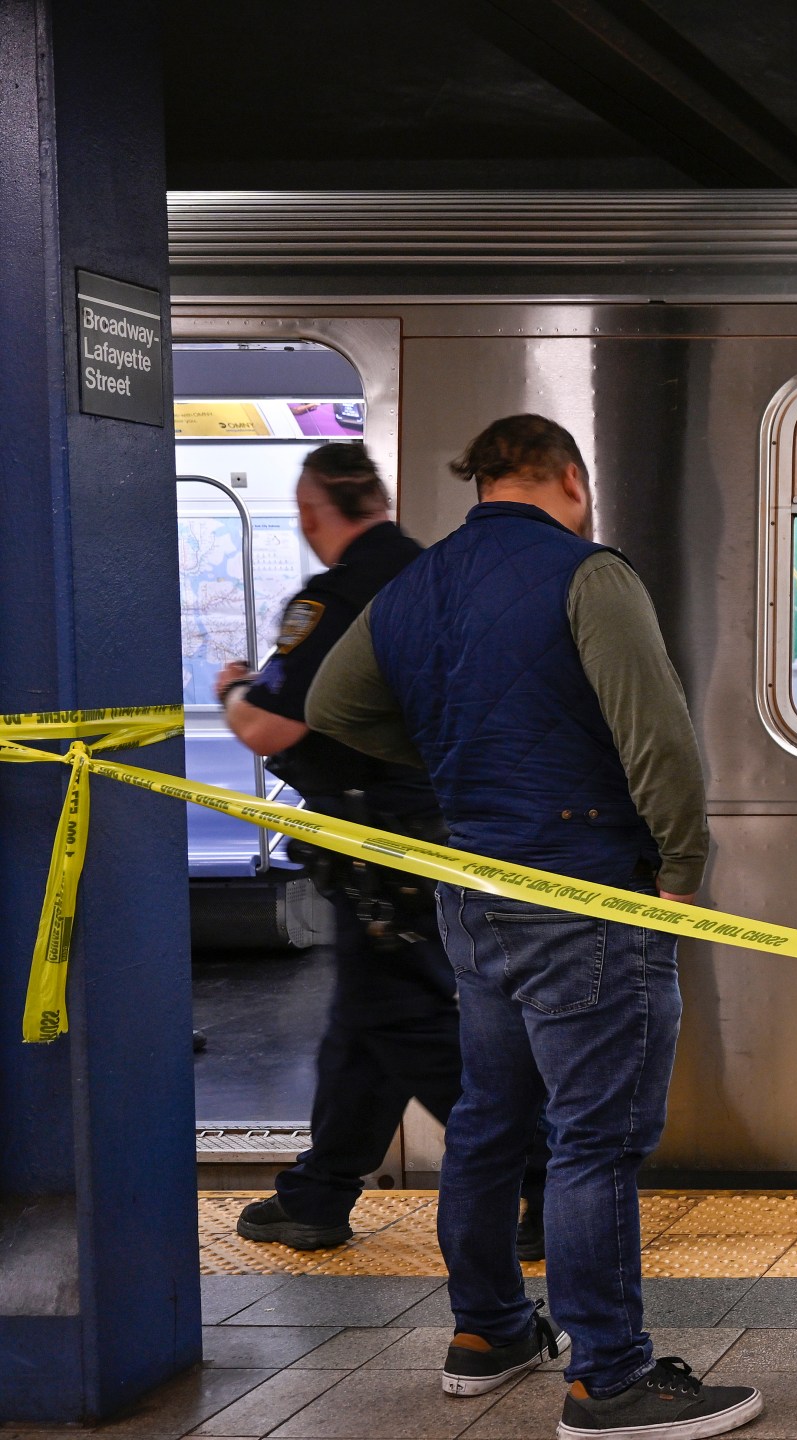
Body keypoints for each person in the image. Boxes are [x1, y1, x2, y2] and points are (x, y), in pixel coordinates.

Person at [307, 415, 759, 1437]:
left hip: (473, 890)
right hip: (587, 889)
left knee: (488, 1117)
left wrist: (458, 758)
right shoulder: (587, 575)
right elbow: (660, 740)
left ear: (482, 483)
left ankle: (489, 1331)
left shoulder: (415, 583)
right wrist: (682, 873)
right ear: (567, 476)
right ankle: (610, 1377)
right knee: (594, 1140)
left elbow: (334, 704)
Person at [219, 442, 547, 1260]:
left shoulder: (334, 600)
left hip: (376, 846)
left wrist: (232, 689)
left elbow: (269, 725)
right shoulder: (443, 576)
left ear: (311, 513)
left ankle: (544, 1177)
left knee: (407, 1021)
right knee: (369, 1017)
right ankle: (320, 1190)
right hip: (450, 828)